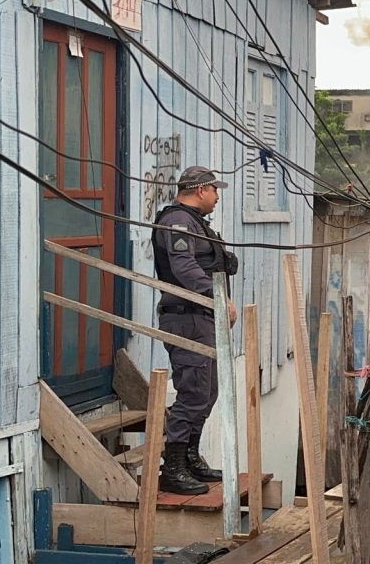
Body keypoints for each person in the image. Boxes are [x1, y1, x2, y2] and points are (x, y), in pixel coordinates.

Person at [152, 166, 238, 495]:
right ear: (201, 189)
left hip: (202, 318)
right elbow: (183, 266)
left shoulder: (195, 222)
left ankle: (189, 457)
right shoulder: (176, 221)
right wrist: (217, 298)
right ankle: (172, 468)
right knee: (193, 393)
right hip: (187, 318)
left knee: (209, 391)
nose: (217, 197)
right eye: (215, 190)